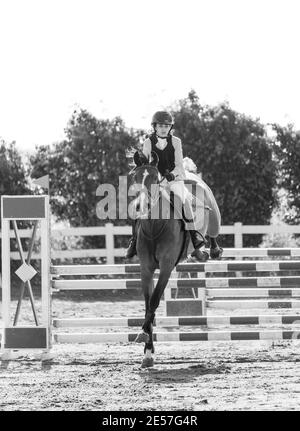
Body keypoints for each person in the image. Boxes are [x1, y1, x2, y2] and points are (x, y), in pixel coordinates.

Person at [125, 110, 208, 260]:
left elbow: (178, 165)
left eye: (167, 125)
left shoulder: (176, 142)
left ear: (170, 127)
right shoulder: (148, 142)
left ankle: (195, 240)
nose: (164, 128)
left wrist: (171, 175)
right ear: (155, 127)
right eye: (160, 125)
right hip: (155, 181)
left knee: (184, 201)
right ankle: (134, 241)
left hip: (173, 180)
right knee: (140, 204)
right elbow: (146, 164)